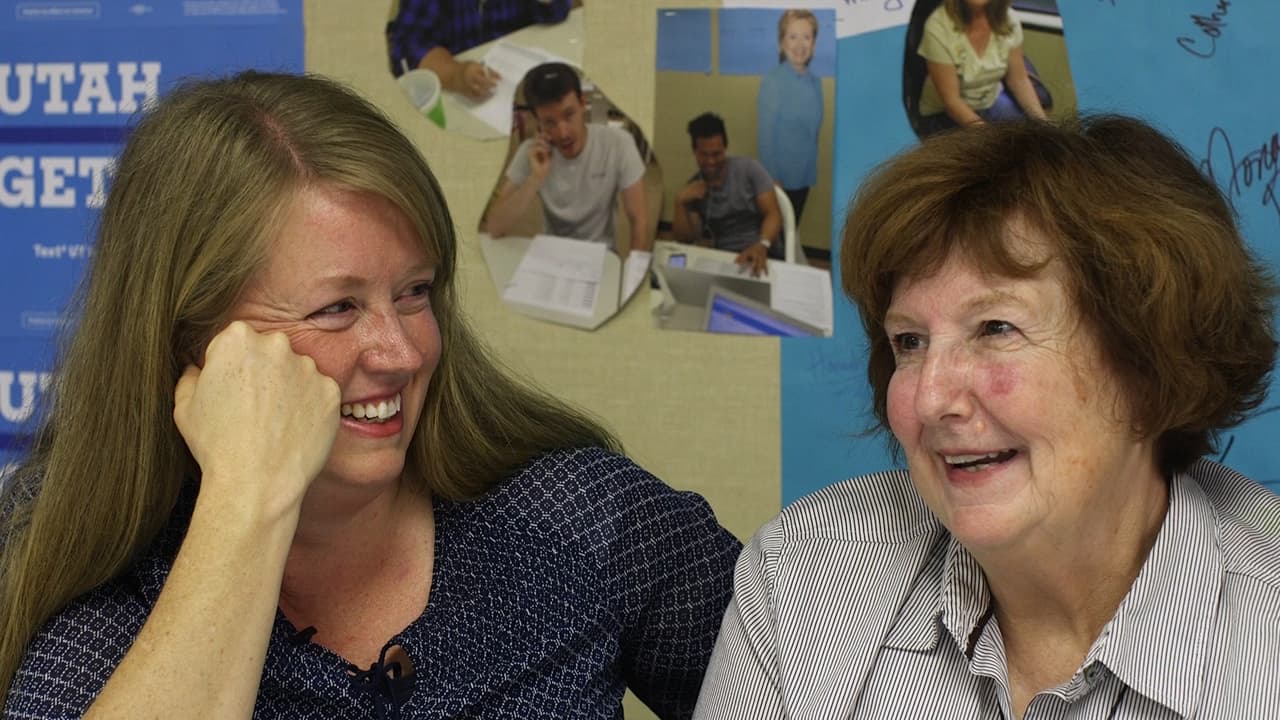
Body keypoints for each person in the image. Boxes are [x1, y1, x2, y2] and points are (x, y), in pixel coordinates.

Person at [0, 71, 742, 719]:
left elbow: (811, 671)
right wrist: (245, 501)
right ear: (194, 340)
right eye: (337, 308)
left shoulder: (580, 518)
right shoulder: (78, 570)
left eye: (414, 292)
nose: (403, 352)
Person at [694, 115, 1279, 717]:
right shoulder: (802, 575)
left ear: (1149, 363)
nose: (929, 399)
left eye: (996, 328)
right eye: (909, 342)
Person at [485, 63, 651, 258]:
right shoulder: (530, 152)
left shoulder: (619, 144)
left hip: (601, 255)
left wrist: (633, 275)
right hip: (552, 253)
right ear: (537, 120)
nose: (563, 133)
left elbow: (639, 219)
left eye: (568, 115)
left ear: (582, 104)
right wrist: (535, 179)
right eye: (549, 122)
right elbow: (495, 227)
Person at [386, 0, 571, 100]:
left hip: (521, 80)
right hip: (454, 92)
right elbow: (405, 46)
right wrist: (455, 74)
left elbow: (557, 11)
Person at [672, 113, 782, 277]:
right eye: (704, 154)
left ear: (726, 148)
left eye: (716, 154)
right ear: (695, 152)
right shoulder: (694, 188)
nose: (711, 161)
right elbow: (686, 239)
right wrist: (679, 202)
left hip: (764, 250)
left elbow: (773, 213)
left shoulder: (750, 169)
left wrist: (762, 244)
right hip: (727, 260)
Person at [916, 0, 1047, 137]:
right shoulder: (938, 27)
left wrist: (1044, 126)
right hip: (946, 113)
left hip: (991, 100)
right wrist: (991, 138)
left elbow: (1019, 80)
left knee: (1031, 138)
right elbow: (952, 102)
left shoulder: (1009, 20)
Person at [756, 9, 823, 224]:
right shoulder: (774, 82)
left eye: (807, 37)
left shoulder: (816, 83)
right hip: (780, 180)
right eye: (792, 36)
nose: (800, 44)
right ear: (781, 42)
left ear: (814, 43)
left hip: (804, 176)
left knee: (793, 228)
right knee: (779, 235)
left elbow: (813, 133)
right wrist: (772, 179)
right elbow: (766, 137)